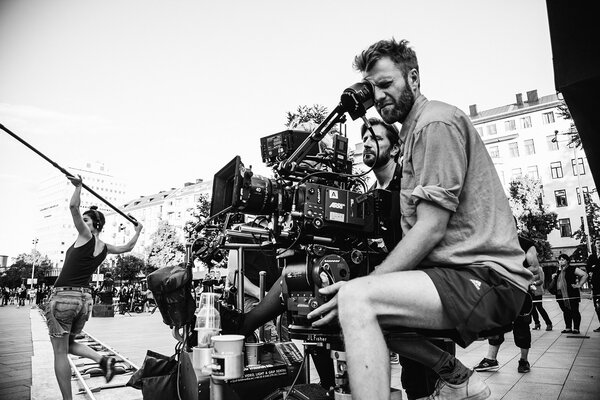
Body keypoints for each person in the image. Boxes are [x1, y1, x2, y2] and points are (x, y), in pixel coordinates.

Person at [307, 39, 533, 400]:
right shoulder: (415, 133)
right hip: (455, 274)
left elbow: (430, 227)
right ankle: (456, 376)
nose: (378, 96)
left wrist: (364, 287)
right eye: (372, 88)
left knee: (356, 299)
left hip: (486, 277)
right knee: (350, 311)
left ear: (413, 77)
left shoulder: (434, 123)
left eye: (386, 84)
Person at [44, 175, 143, 400]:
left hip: (64, 297)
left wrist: (78, 187)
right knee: (68, 344)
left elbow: (73, 207)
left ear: (95, 225)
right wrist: (138, 230)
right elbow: (127, 247)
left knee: (60, 352)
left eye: (87, 221)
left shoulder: (86, 236)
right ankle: (102, 360)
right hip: (83, 301)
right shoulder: (105, 248)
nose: (83, 224)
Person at [474, 235, 539, 374]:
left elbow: (534, 267)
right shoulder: (494, 241)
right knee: (496, 326)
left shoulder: (525, 243)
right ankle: (491, 360)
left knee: (521, 326)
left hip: (520, 291)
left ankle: (524, 361)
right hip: (499, 291)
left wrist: (509, 270)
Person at [553, 253, 587, 334]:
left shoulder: (572, 269)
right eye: (559, 260)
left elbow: (584, 275)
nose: (561, 261)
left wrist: (579, 285)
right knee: (565, 311)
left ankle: (576, 328)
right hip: (560, 294)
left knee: (574, 310)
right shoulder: (558, 271)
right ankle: (568, 327)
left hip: (571, 293)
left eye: (563, 259)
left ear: (567, 261)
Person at [587, 238, 600, 332]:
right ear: (595, 245)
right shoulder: (592, 257)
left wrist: (595, 268)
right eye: (598, 243)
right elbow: (589, 270)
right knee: (597, 307)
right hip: (596, 286)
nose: (599, 244)